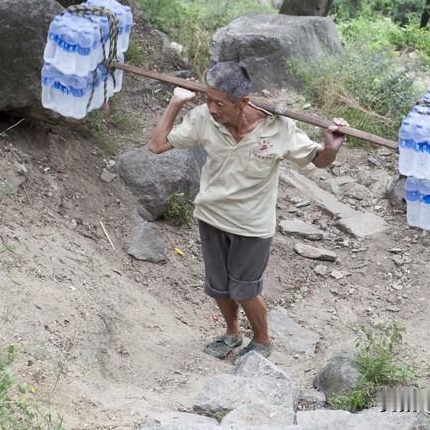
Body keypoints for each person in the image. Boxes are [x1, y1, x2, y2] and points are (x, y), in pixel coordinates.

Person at [148, 61, 348, 362]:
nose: (213, 109)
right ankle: (232, 334)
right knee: (218, 287)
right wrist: (176, 101)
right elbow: (157, 145)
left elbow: (317, 160)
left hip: (253, 225)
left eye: (220, 103)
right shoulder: (203, 119)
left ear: (243, 102)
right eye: (208, 99)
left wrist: (330, 147)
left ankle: (262, 339)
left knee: (244, 290)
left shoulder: (279, 129)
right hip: (212, 216)